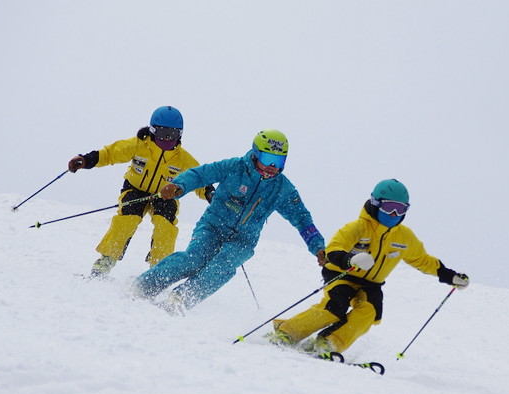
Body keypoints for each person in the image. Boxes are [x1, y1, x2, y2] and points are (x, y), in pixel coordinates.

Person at [130, 129, 326, 313]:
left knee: (222, 268)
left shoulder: (282, 189)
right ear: (255, 154)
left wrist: (318, 246)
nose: (272, 167)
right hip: (212, 227)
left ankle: (180, 300)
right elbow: (200, 175)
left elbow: (303, 219)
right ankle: (143, 287)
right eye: (268, 159)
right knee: (194, 260)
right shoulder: (234, 167)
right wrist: (178, 185)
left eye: (279, 161)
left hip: (242, 240)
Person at [267, 179, 469, 356]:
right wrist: (350, 261)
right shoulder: (357, 227)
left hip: (371, 283)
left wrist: (449, 276)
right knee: (335, 306)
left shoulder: (404, 237)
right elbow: (333, 250)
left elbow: (422, 260)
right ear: (375, 203)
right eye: (389, 207)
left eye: (401, 209)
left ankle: (328, 343)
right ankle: (287, 332)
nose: (394, 213)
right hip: (343, 274)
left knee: (370, 310)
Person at [67, 106, 213, 277]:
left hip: (164, 195)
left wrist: (210, 193)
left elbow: (198, 178)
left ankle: (158, 270)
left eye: (172, 134)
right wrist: (86, 160)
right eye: (162, 132)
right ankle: (105, 261)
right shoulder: (138, 146)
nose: (166, 137)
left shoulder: (183, 158)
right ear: (152, 130)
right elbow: (111, 153)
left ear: (180, 135)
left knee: (166, 227)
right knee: (126, 220)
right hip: (135, 189)